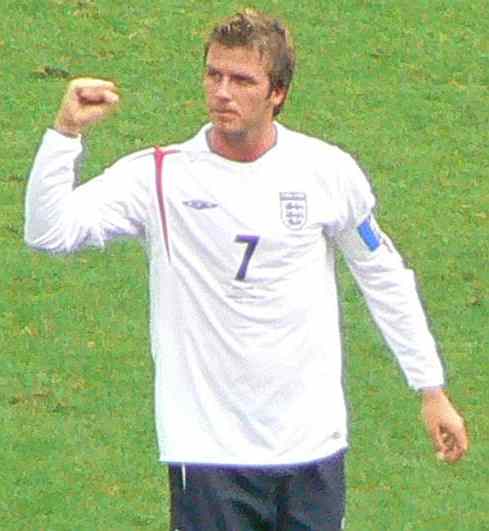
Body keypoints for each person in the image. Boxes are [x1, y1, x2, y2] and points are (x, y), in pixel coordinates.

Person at [25, 9, 468, 531]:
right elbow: (49, 231)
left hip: (310, 447)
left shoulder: (325, 172)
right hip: (208, 451)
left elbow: (383, 275)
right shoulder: (161, 176)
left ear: (277, 92)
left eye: (241, 80)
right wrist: (65, 134)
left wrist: (430, 388)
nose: (222, 92)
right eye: (214, 74)